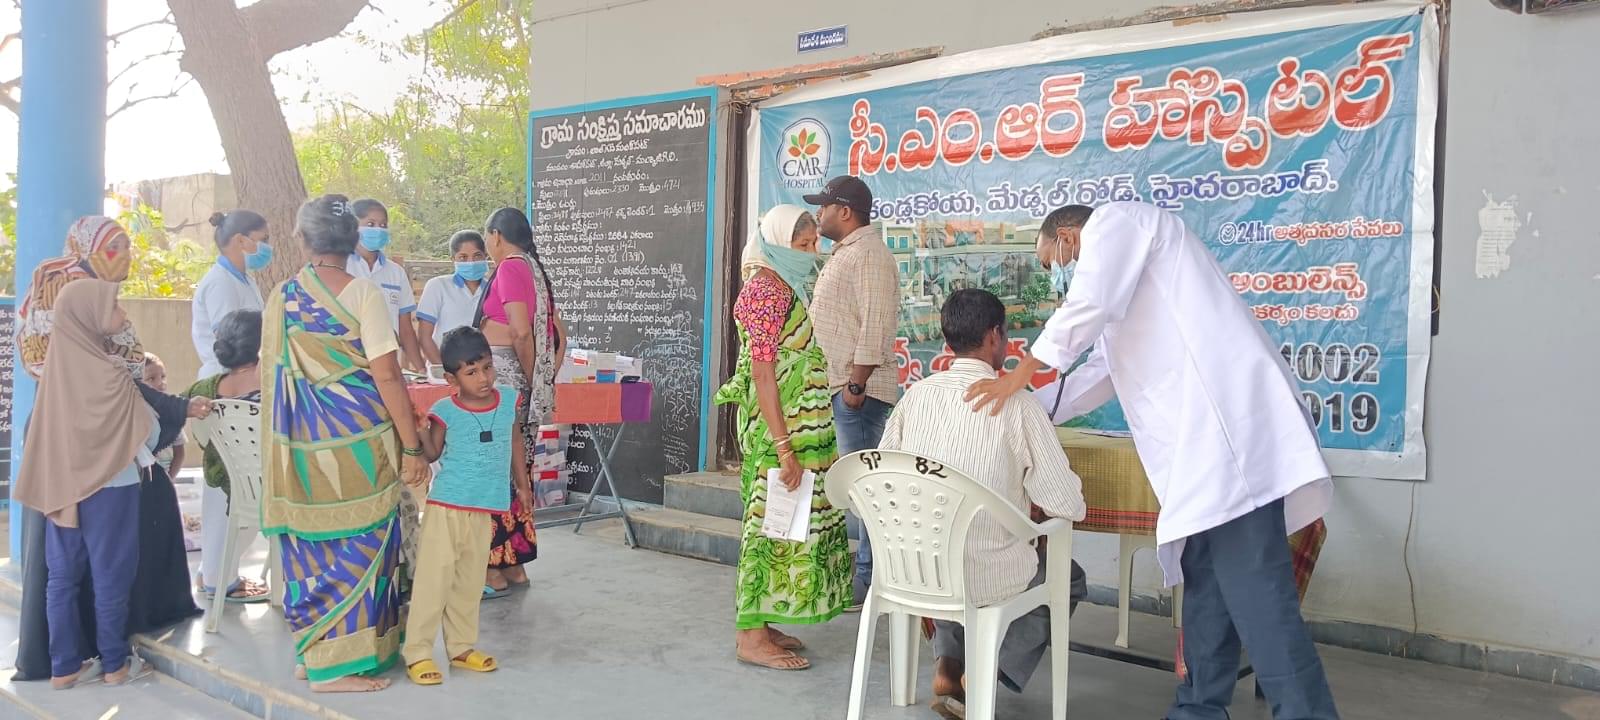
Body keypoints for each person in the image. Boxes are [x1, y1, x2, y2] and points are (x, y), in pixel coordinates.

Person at [968, 202, 1339, 720]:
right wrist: (1031, 406)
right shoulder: (1127, 295)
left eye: (1054, 261)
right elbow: (1100, 370)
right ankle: (1197, 710)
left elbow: (1085, 306)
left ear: (1071, 235)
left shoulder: (1120, 222)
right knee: (1207, 590)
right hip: (1201, 464)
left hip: (1232, 451)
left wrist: (1020, 372)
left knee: (1260, 600)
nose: (1059, 276)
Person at [877, 289, 1087, 718]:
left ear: (947, 338)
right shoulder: (1019, 404)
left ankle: (948, 664)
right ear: (995, 336)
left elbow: (884, 478)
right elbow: (1067, 504)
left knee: (947, 536)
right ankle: (985, 671)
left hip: (910, 567)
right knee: (1067, 574)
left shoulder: (916, 396)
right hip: (983, 571)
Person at [9, 216, 197, 682]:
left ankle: (61, 666)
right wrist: (180, 411)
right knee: (112, 569)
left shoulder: (58, 370)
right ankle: (114, 663)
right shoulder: (110, 365)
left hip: (61, 465)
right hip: (110, 472)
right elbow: (148, 432)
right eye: (115, 247)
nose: (124, 317)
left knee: (60, 573)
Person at [260, 194, 428, 693]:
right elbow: (389, 378)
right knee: (369, 543)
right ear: (355, 239)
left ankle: (313, 654)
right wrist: (413, 447)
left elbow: (276, 380)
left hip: (304, 451)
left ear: (302, 239)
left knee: (312, 550)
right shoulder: (364, 294)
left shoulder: (282, 298)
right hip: (360, 447)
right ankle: (341, 667)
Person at [713, 205, 851, 671]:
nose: (811, 253)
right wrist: (785, 448)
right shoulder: (765, 290)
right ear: (775, 242)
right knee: (767, 525)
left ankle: (763, 620)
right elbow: (763, 374)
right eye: (802, 245)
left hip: (797, 429)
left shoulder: (781, 285)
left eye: (814, 244)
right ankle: (749, 636)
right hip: (781, 434)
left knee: (785, 524)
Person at [403, 327, 524, 686]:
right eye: (471, 373)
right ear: (451, 379)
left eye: (487, 367)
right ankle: (418, 653)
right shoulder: (445, 411)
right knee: (432, 581)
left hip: (483, 508)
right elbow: (433, 453)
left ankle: (460, 647)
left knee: (470, 583)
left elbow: (515, 440)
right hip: (446, 507)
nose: (483, 378)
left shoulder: (508, 400)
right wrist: (419, 429)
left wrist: (522, 484)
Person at [803, 175, 900, 608]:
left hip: (857, 393)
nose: (818, 215)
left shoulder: (870, 255)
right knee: (857, 491)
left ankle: (870, 580)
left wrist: (855, 387)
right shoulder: (850, 253)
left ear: (844, 211)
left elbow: (875, 326)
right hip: (844, 390)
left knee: (867, 493)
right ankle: (865, 577)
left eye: (824, 207)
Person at [475, 207, 564, 594]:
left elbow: (519, 332)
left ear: (496, 236)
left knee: (494, 470)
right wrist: (544, 376)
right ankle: (515, 565)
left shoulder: (510, 267)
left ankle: (493, 567)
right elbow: (562, 333)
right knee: (516, 470)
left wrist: (531, 377)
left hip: (503, 377)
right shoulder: (534, 269)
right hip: (521, 379)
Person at [190, 208, 271, 604]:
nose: (266, 247)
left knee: (231, 496)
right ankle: (216, 578)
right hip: (230, 388)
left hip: (239, 385)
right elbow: (236, 342)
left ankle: (221, 575)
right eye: (262, 238)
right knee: (229, 495)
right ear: (242, 240)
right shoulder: (221, 284)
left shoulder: (242, 279)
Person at [185, 310, 263, 517]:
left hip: (235, 488)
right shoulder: (278, 387)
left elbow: (170, 410)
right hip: (280, 491)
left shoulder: (202, 390)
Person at [346, 198, 425, 373]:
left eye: (383, 225)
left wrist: (420, 369)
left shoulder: (396, 272)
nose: (378, 230)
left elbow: (405, 328)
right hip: (349, 366)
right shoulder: (341, 266)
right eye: (370, 224)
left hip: (389, 366)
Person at [416, 230, 490, 367]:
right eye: (463, 257)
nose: (471, 262)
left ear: (486, 256)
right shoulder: (438, 286)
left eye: (477, 256)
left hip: (482, 372)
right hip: (444, 372)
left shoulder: (493, 289)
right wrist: (443, 370)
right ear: (453, 259)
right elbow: (424, 336)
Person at [143, 353, 186, 478]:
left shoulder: (171, 413)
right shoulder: (133, 415)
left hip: (164, 478)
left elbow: (179, 452)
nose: (161, 383)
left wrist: (170, 478)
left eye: (163, 377)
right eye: (151, 379)